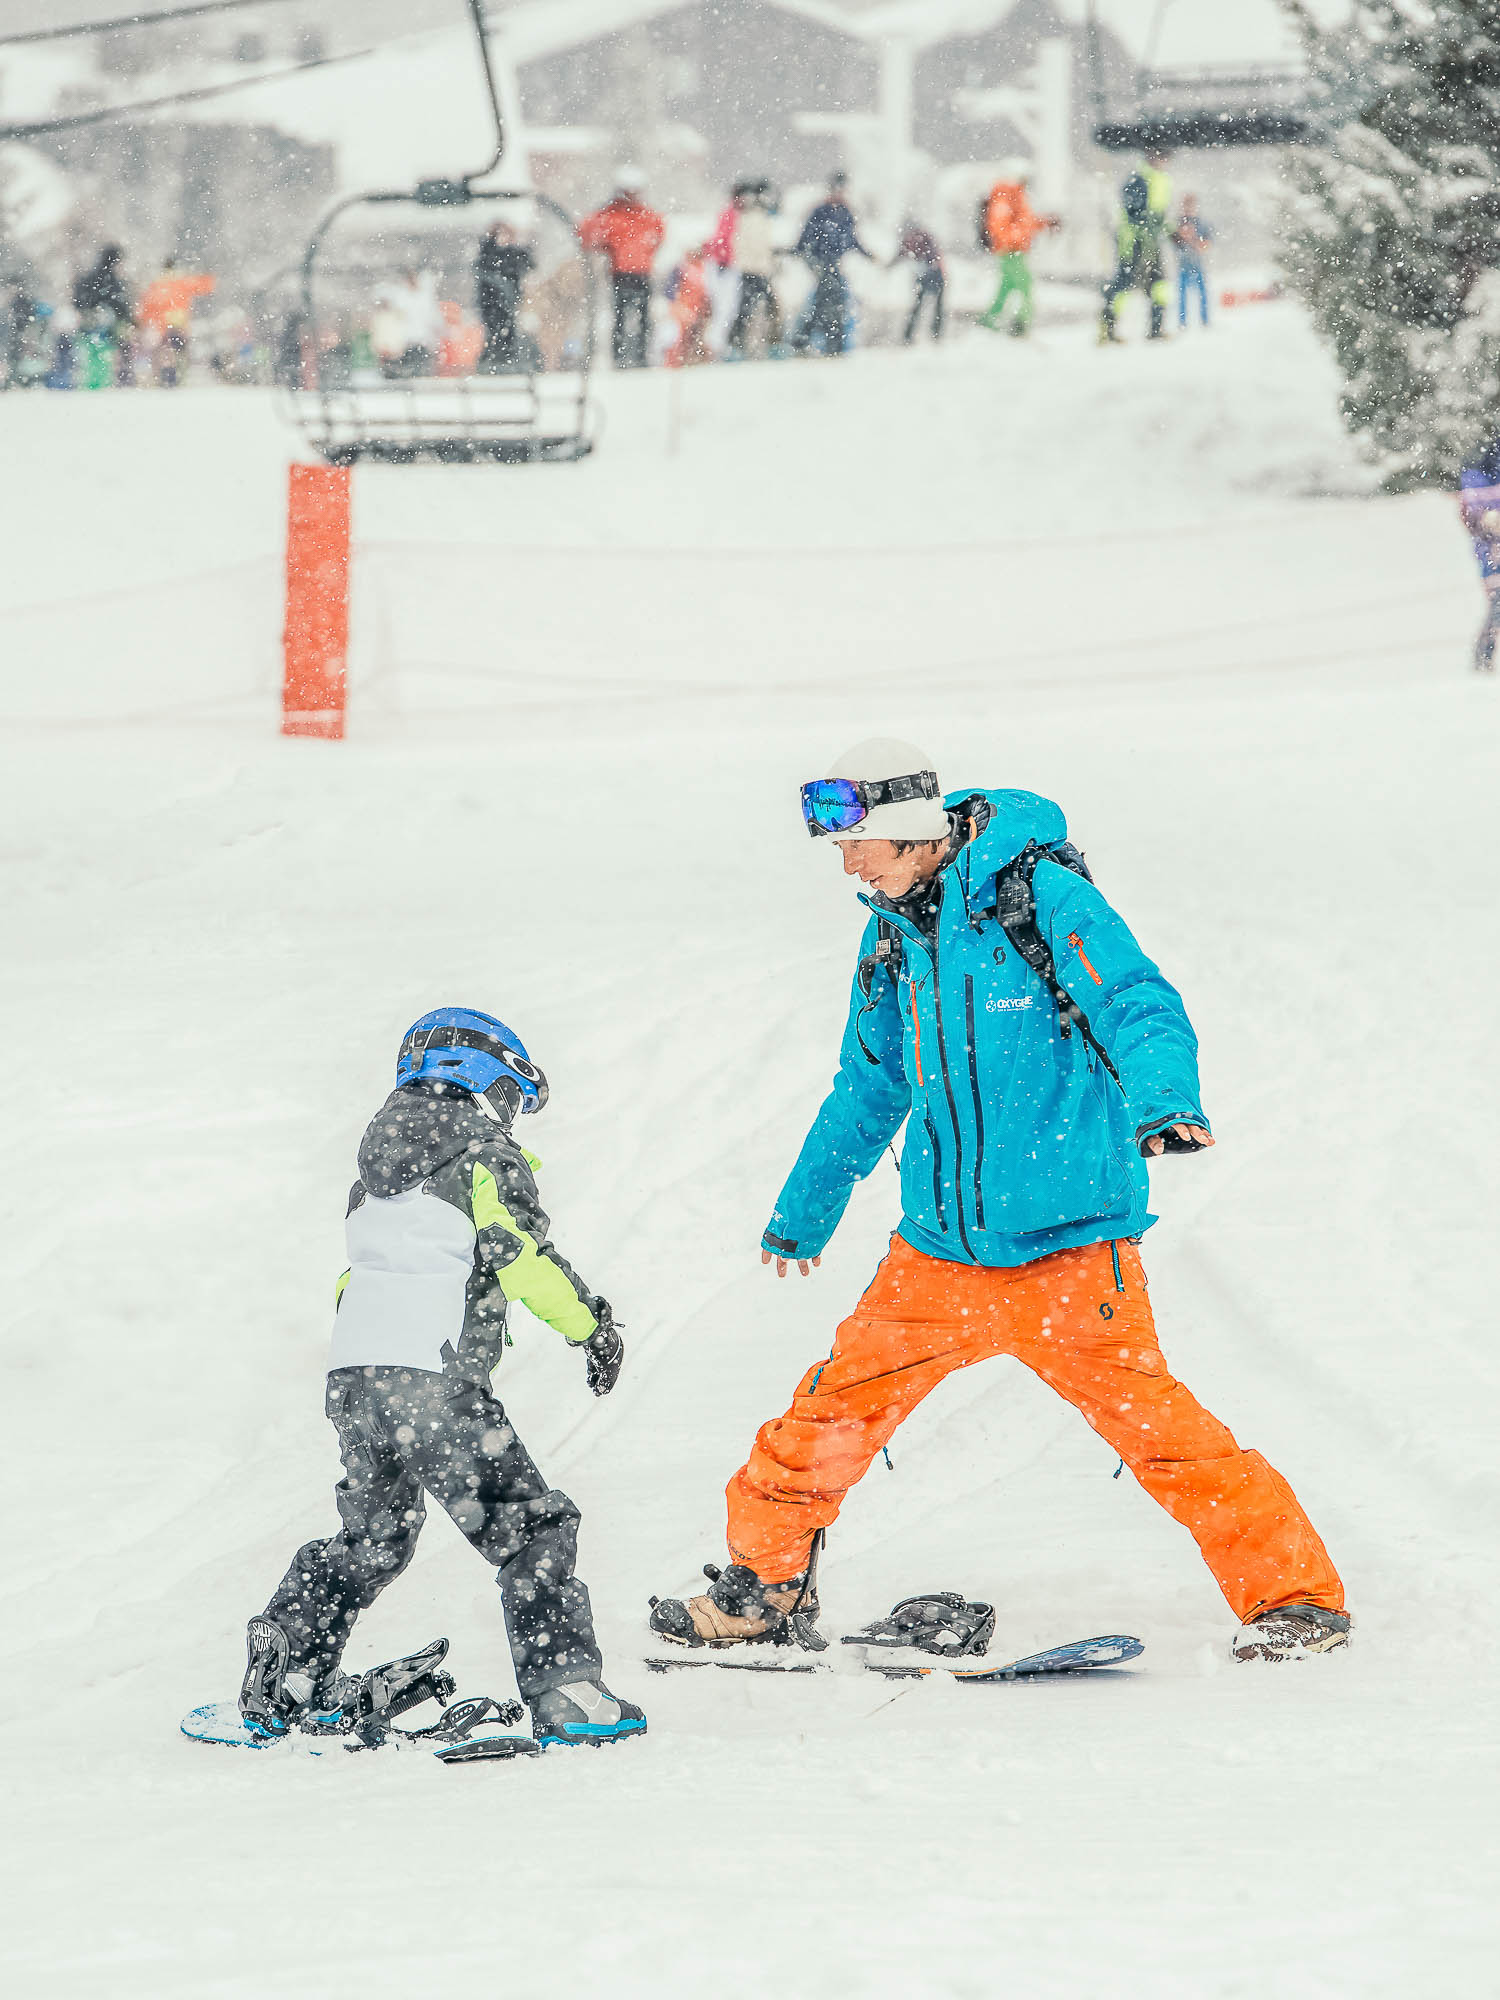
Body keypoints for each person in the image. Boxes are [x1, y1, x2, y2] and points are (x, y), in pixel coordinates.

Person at [650, 740, 1350, 1667]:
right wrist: (803, 1211)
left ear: (910, 836)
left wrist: (1166, 1102)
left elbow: (1138, 1004)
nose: (849, 865)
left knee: (1170, 1442)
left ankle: (1297, 1603)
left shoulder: (1043, 902)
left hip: (1070, 1256)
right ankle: (763, 1593)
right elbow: (868, 1085)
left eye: (860, 845)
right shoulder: (893, 935)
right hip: (936, 1260)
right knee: (818, 1428)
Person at [239, 1008, 647, 1750]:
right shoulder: (484, 1157)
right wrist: (592, 1326)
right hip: (434, 1386)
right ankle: (568, 1693)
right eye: (513, 1097)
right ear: (481, 1077)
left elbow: (356, 1281)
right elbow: (519, 1254)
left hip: (355, 1378)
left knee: (374, 1536)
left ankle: (289, 1673)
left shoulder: (371, 1180)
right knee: (533, 1528)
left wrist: (374, 1372)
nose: (513, 1115)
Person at [578, 169, 666, 370]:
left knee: (640, 317)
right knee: (622, 317)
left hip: (639, 272)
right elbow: (588, 236)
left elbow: (658, 234)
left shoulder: (637, 216)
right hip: (622, 273)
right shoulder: (612, 215)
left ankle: (639, 356)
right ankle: (622, 357)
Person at [791, 172, 871, 357]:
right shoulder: (820, 211)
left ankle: (829, 342)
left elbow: (851, 239)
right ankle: (810, 340)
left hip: (835, 264)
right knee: (825, 301)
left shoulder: (845, 212)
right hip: (820, 263)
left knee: (834, 302)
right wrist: (805, 256)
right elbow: (806, 237)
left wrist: (867, 254)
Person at [978, 163, 1059, 337]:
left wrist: (1045, 223)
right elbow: (1000, 224)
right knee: (1025, 284)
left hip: (1013, 248)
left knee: (1006, 286)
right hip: (1011, 250)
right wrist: (1015, 239)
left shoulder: (1016, 194)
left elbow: (1024, 222)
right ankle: (1020, 324)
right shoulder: (1005, 194)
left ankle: (990, 320)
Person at [1100, 151, 1173, 343]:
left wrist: (1170, 231)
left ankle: (1156, 329)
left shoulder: (1161, 180)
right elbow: (1134, 212)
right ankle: (1108, 330)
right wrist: (1148, 227)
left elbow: (1159, 214)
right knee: (1124, 283)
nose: (1164, 161)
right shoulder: (1138, 179)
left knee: (1158, 284)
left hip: (1151, 241)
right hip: (1132, 241)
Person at [137, 255, 215, 384]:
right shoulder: (182, 281)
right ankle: (177, 375)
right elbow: (206, 286)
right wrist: (208, 270)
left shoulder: (157, 284)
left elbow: (147, 306)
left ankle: (164, 375)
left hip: (161, 326)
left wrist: (143, 322)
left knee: (164, 352)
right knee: (179, 351)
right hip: (179, 323)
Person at [726, 181, 783, 357]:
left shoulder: (763, 217)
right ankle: (735, 346)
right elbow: (741, 244)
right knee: (745, 309)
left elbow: (765, 244)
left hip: (763, 270)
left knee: (771, 308)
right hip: (750, 270)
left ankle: (774, 345)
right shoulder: (746, 217)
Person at [1459, 439, 1500, 671]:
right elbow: (1473, 510)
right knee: (1498, 604)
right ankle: (1483, 660)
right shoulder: (1483, 459)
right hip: (1492, 552)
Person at [475, 218, 536, 373]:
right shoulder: (488, 253)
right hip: (492, 303)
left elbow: (528, 264)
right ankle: (496, 361)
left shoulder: (514, 254)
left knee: (508, 332)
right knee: (496, 333)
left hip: (508, 303)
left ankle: (504, 360)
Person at [72, 244, 132, 388]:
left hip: (88, 325)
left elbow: (77, 299)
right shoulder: (111, 279)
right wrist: (128, 318)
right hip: (104, 326)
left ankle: (90, 385)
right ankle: (99, 385)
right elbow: (118, 303)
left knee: (90, 355)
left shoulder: (90, 276)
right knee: (103, 356)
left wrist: (86, 310)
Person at [891, 218, 944, 344]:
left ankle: (930, 333)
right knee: (926, 306)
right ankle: (922, 334)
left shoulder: (921, 239)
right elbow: (900, 255)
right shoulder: (915, 240)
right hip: (928, 276)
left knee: (927, 306)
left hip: (933, 276)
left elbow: (933, 257)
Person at [1174, 195, 1214, 331]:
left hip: (1197, 264)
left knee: (1202, 293)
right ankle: (1182, 322)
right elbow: (1173, 243)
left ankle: (1205, 320)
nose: (1188, 209)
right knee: (1181, 295)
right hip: (1182, 264)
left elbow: (1207, 243)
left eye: (1191, 206)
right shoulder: (1177, 224)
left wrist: (1196, 241)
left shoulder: (1202, 224)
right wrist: (1181, 237)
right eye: (1186, 206)